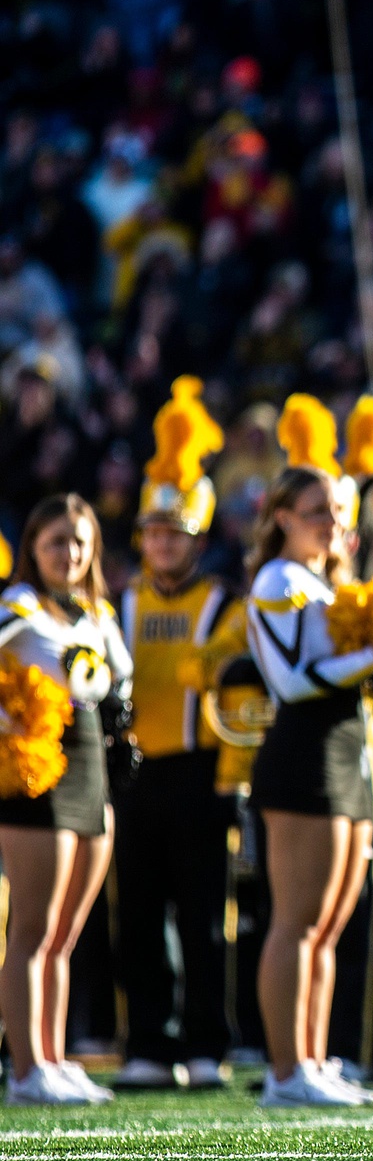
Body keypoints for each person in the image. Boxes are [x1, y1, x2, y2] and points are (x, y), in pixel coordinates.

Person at [243, 456, 373, 1108]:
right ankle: (284, 1070)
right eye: (317, 510)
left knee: (328, 925)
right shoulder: (278, 577)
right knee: (297, 920)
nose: (331, 522)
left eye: (337, 511)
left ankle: (313, 1057)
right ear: (282, 518)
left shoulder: (329, 580)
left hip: (345, 750)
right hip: (302, 754)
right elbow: (295, 679)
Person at [111, 382, 238, 1092]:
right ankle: (147, 1043)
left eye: (175, 533)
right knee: (137, 916)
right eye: (154, 533)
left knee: (202, 918)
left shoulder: (222, 598)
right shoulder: (121, 599)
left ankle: (205, 1043)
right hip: (136, 773)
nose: (162, 543)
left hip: (200, 772)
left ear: (195, 536)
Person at [0, 495, 132, 1105]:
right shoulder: (19, 606)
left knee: (66, 932)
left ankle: (52, 1056)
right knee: (31, 927)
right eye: (56, 541)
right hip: (39, 771)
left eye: (80, 542)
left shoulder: (97, 613)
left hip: (91, 769)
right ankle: (25, 1068)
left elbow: (118, 685)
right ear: (32, 546)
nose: (69, 554)